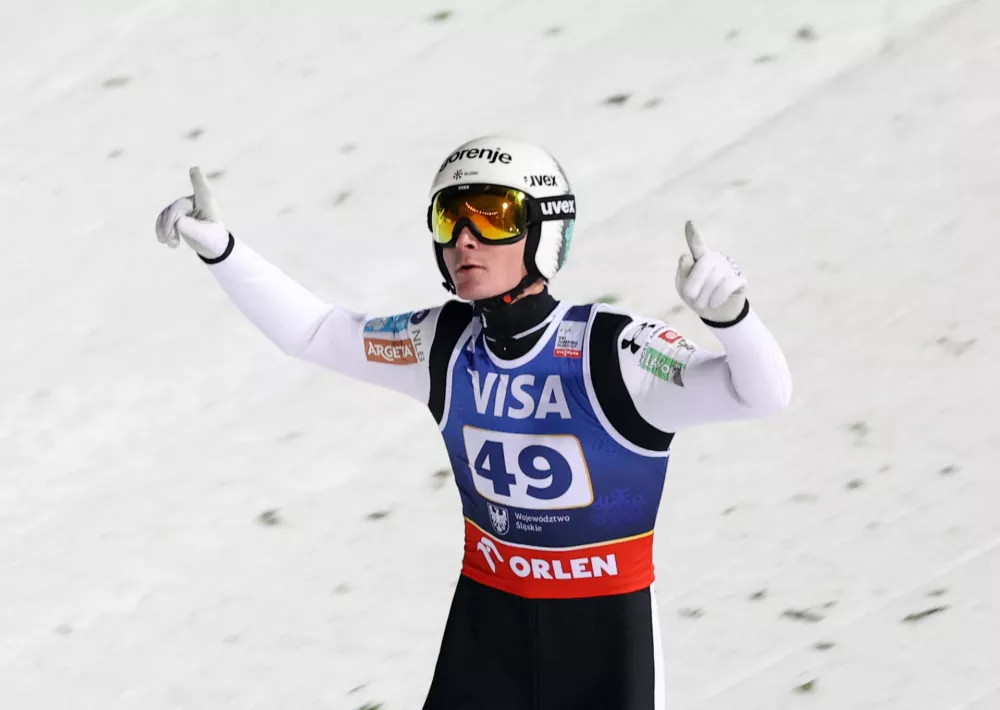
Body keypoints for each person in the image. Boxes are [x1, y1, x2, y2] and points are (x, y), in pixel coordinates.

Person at [154, 135, 792, 710]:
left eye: (493, 215)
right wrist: (224, 252)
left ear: (546, 232)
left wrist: (735, 320)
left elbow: (762, 395)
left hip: (603, 634)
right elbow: (319, 333)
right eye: (448, 216)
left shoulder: (613, 349)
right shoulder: (442, 342)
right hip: (488, 624)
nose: (464, 237)